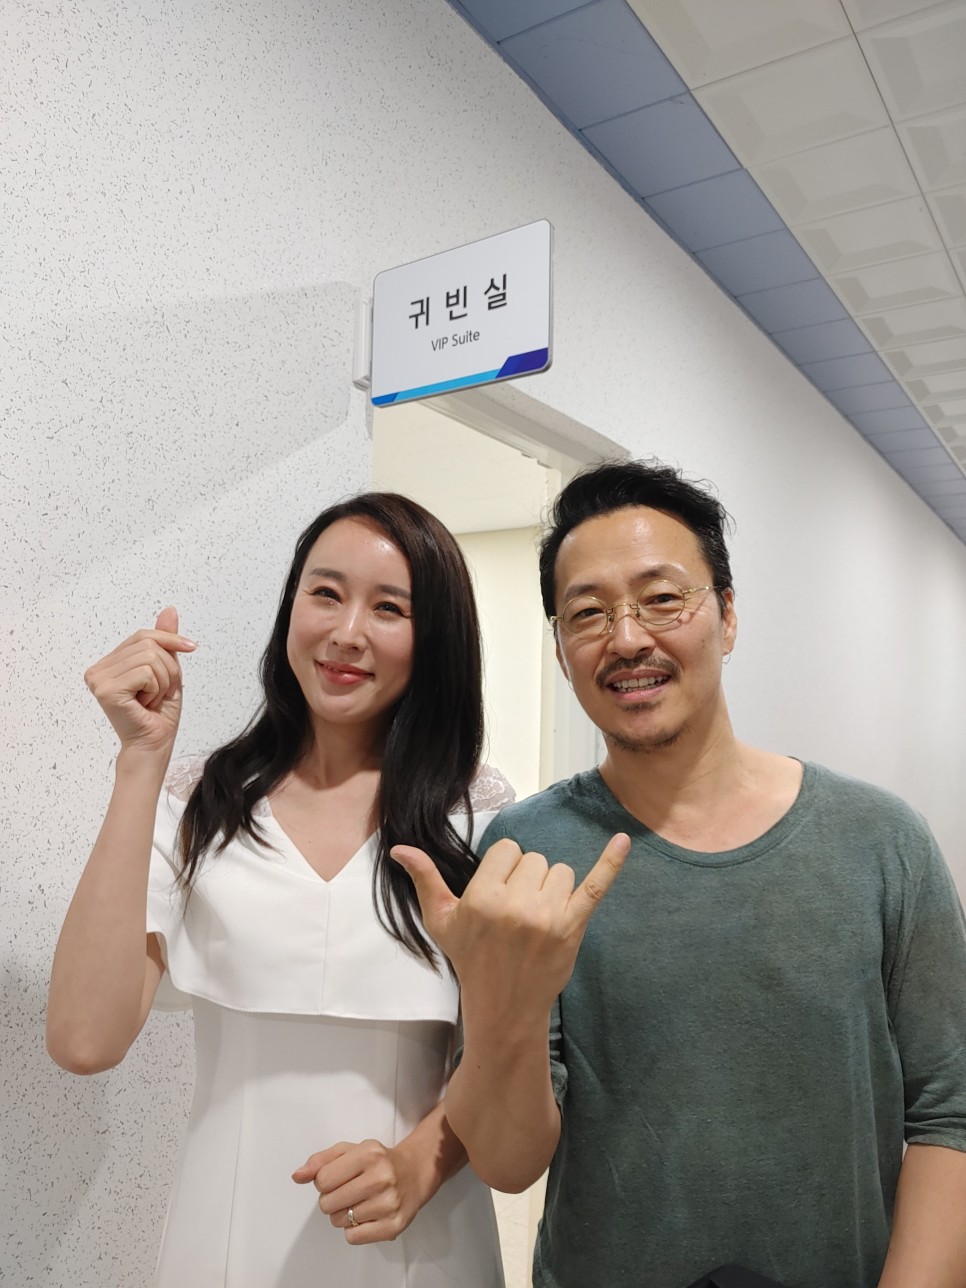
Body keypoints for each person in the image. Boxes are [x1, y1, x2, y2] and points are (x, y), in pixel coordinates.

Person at [393, 460, 966, 1288]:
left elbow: (948, 1111)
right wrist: (506, 1000)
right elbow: (509, 1164)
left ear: (727, 616)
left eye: (662, 599)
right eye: (587, 613)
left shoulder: (882, 842)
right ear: (561, 651)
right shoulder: (528, 854)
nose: (627, 638)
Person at [46, 493, 510, 1288]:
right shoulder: (200, 804)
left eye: (389, 608)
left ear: (435, 637)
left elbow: (508, 1066)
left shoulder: (481, 817)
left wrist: (421, 1161)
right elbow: (84, 1041)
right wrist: (140, 762)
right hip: (224, 1245)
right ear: (291, 605)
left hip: (422, 1240)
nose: (346, 632)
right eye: (325, 593)